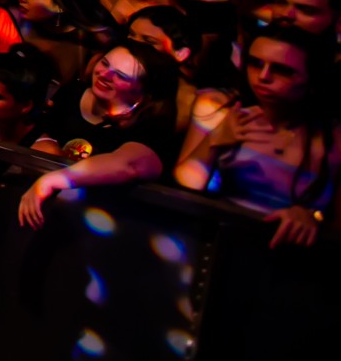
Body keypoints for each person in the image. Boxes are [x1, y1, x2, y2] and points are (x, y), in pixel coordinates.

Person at [174, 25, 338, 248]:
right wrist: (214, 141)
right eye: (255, 63)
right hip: (219, 243)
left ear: (311, 76)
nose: (263, 76)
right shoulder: (221, 107)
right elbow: (185, 189)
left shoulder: (333, 136)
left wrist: (313, 216)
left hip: (296, 257)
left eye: (281, 70)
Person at [19, 39, 182, 226]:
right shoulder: (72, 93)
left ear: (143, 93)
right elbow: (40, 130)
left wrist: (53, 180)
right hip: (47, 214)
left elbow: (127, 164)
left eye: (121, 76)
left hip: (107, 223)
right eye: (105, 63)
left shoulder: (152, 127)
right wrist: (44, 141)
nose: (105, 74)